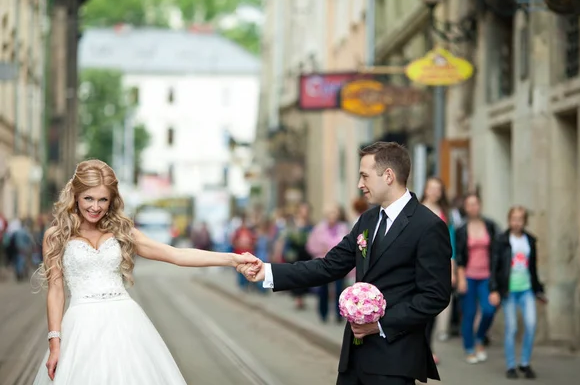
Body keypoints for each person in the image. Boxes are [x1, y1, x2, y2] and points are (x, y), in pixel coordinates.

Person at [239, 141, 452, 385]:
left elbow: (435, 295)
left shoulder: (428, 226)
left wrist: (380, 324)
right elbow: (328, 266)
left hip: (395, 361)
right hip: (353, 359)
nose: (360, 185)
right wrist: (266, 271)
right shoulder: (368, 220)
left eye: (364, 176)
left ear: (389, 176)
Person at [32, 160, 259, 384]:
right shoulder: (56, 235)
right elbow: (56, 291)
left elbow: (176, 255)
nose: (95, 207)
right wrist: (55, 342)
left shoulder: (122, 232)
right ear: (75, 196)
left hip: (125, 324)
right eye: (88, 198)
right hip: (80, 327)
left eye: (103, 200)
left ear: (111, 201)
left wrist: (233, 259)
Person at [489, 206, 546, 379]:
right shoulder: (501, 240)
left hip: (526, 289)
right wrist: (494, 289)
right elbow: (494, 267)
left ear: (525, 221)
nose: (516, 222)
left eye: (520, 219)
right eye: (513, 218)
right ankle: (511, 365)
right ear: (509, 220)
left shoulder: (530, 240)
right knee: (512, 328)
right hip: (509, 291)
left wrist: (539, 291)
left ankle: (525, 363)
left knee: (531, 324)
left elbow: (533, 268)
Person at [455, 192, 500, 364]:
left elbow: (497, 252)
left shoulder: (490, 225)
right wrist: (461, 278)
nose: (473, 207)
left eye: (476, 204)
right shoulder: (461, 229)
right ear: (465, 208)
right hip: (468, 276)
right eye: (470, 204)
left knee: (489, 310)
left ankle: (480, 337)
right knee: (470, 313)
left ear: (480, 205)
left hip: (487, 276)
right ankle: (469, 348)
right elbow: (459, 255)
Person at [419, 177, 457, 363]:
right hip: (419, 264)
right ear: (425, 190)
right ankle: (420, 349)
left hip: (438, 266)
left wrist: (453, 268)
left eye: (438, 189)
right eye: (431, 188)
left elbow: (451, 242)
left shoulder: (445, 213)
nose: (434, 192)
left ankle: (427, 348)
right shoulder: (416, 210)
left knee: (431, 308)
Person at [306, 204, 350, 323]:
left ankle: (339, 314)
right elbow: (311, 245)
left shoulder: (343, 228)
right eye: (330, 213)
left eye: (334, 213)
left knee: (339, 289)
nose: (332, 216)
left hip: (340, 263)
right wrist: (321, 250)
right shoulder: (319, 228)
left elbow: (348, 244)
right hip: (323, 262)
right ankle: (323, 313)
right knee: (323, 289)